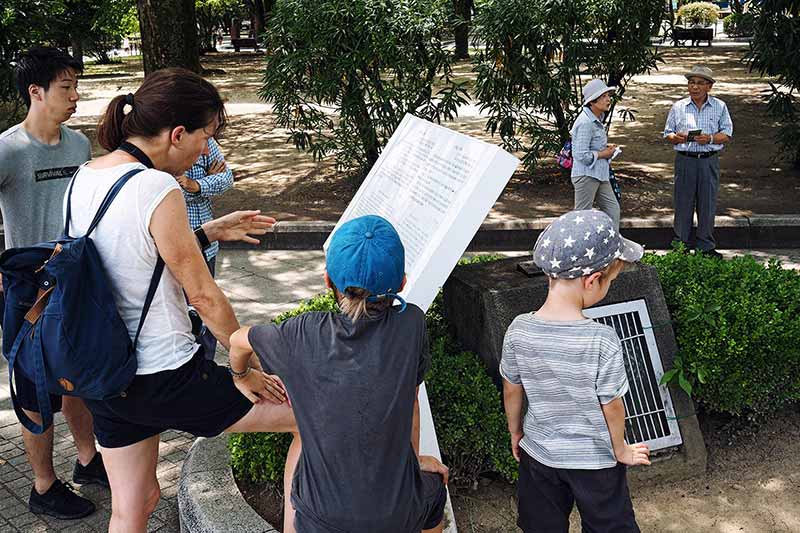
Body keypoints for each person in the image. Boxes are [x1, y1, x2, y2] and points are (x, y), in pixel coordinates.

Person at [65, 68, 296, 532]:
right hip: (162, 374)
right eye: (204, 137)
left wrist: (207, 230)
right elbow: (204, 296)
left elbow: (125, 253)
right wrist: (242, 366)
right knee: (309, 415)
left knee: (136, 504)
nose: (202, 153)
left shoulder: (85, 175)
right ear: (176, 134)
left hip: (104, 375)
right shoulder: (158, 187)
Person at [229, 215, 450, 533]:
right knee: (433, 491)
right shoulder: (411, 324)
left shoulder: (301, 334)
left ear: (327, 280)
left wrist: (241, 375)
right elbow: (411, 404)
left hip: (321, 519)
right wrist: (412, 465)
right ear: (401, 283)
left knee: (301, 472)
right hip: (399, 513)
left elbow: (239, 340)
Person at [0, 46, 107, 520]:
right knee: (35, 390)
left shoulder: (79, 145)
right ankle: (43, 486)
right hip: (27, 291)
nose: (76, 96)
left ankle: (88, 461)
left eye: (76, 86)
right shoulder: (7, 150)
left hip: (73, 281)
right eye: (66, 87)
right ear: (36, 91)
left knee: (76, 378)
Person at [501, 209, 651, 532]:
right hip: (595, 461)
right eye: (610, 281)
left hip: (538, 455)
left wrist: (516, 431)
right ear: (592, 280)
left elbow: (512, 387)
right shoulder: (601, 340)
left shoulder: (517, 330)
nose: (608, 286)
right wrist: (621, 448)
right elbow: (612, 405)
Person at [663, 65, 733, 258]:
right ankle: (681, 246)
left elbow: (727, 134)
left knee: (707, 203)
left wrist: (709, 139)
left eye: (700, 83)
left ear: (709, 87)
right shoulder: (678, 107)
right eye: (691, 83)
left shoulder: (720, 106)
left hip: (708, 161)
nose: (694, 87)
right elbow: (667, 133)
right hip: (685, 160)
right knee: (683, 202)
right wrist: (676, 138)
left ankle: (706, 246)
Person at [176, 137, 234, 359]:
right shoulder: (165, 141)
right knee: (185, 308)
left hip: (207, 245)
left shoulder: (207, 142)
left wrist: (198, 184)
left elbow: (227, 179)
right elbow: (172, 191)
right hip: (178, 245)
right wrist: (201, 184)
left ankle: (206, 361)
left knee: (207, 309)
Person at [571, 79, 620, 229]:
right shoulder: (586, 122)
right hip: (586, 176)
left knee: (613, 211)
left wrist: (607, 150)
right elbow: (580, 155)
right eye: (603, 96)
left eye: (608, 95)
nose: (608, 99)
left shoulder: (598, 119)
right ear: (592, 102)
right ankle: (576, 251)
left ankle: (611, 249)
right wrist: (603, 154)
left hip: (600, 174)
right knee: (582, 217)